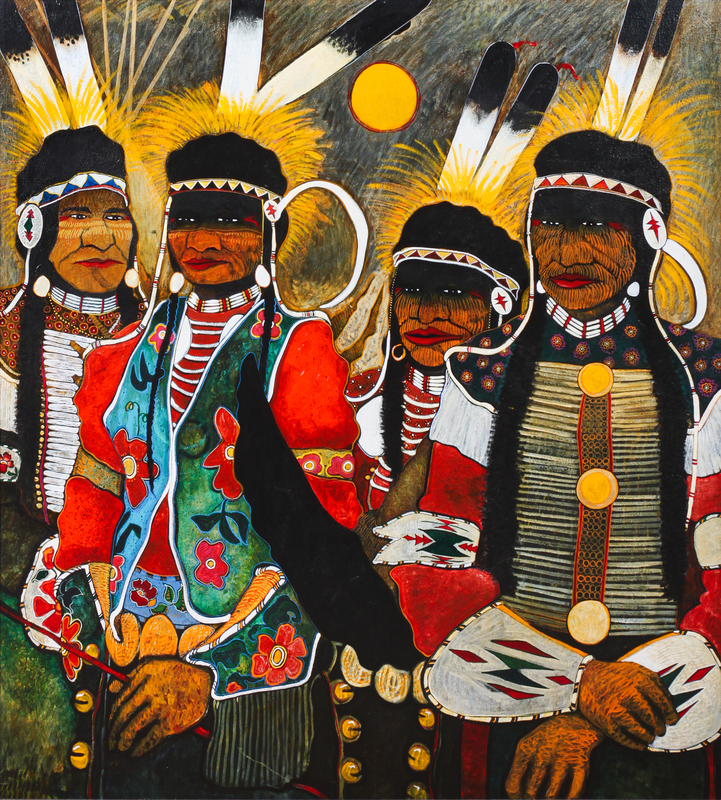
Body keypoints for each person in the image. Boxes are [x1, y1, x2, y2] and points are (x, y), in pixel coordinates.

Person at [427, 130, 721, 798]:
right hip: (503, 692)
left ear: (645, 237)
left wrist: (602, 711)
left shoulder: (703, 378)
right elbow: (436, 567)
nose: (566, 253)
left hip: (661, 704)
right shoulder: (480, 374)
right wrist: (577, 683)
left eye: (595, 228)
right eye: (551, 226)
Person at [348, 202, 526, 513]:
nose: (425, 314)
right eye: (411, 291)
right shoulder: (355, 399)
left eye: (452, 294)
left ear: (498, 306)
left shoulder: (523, 419)